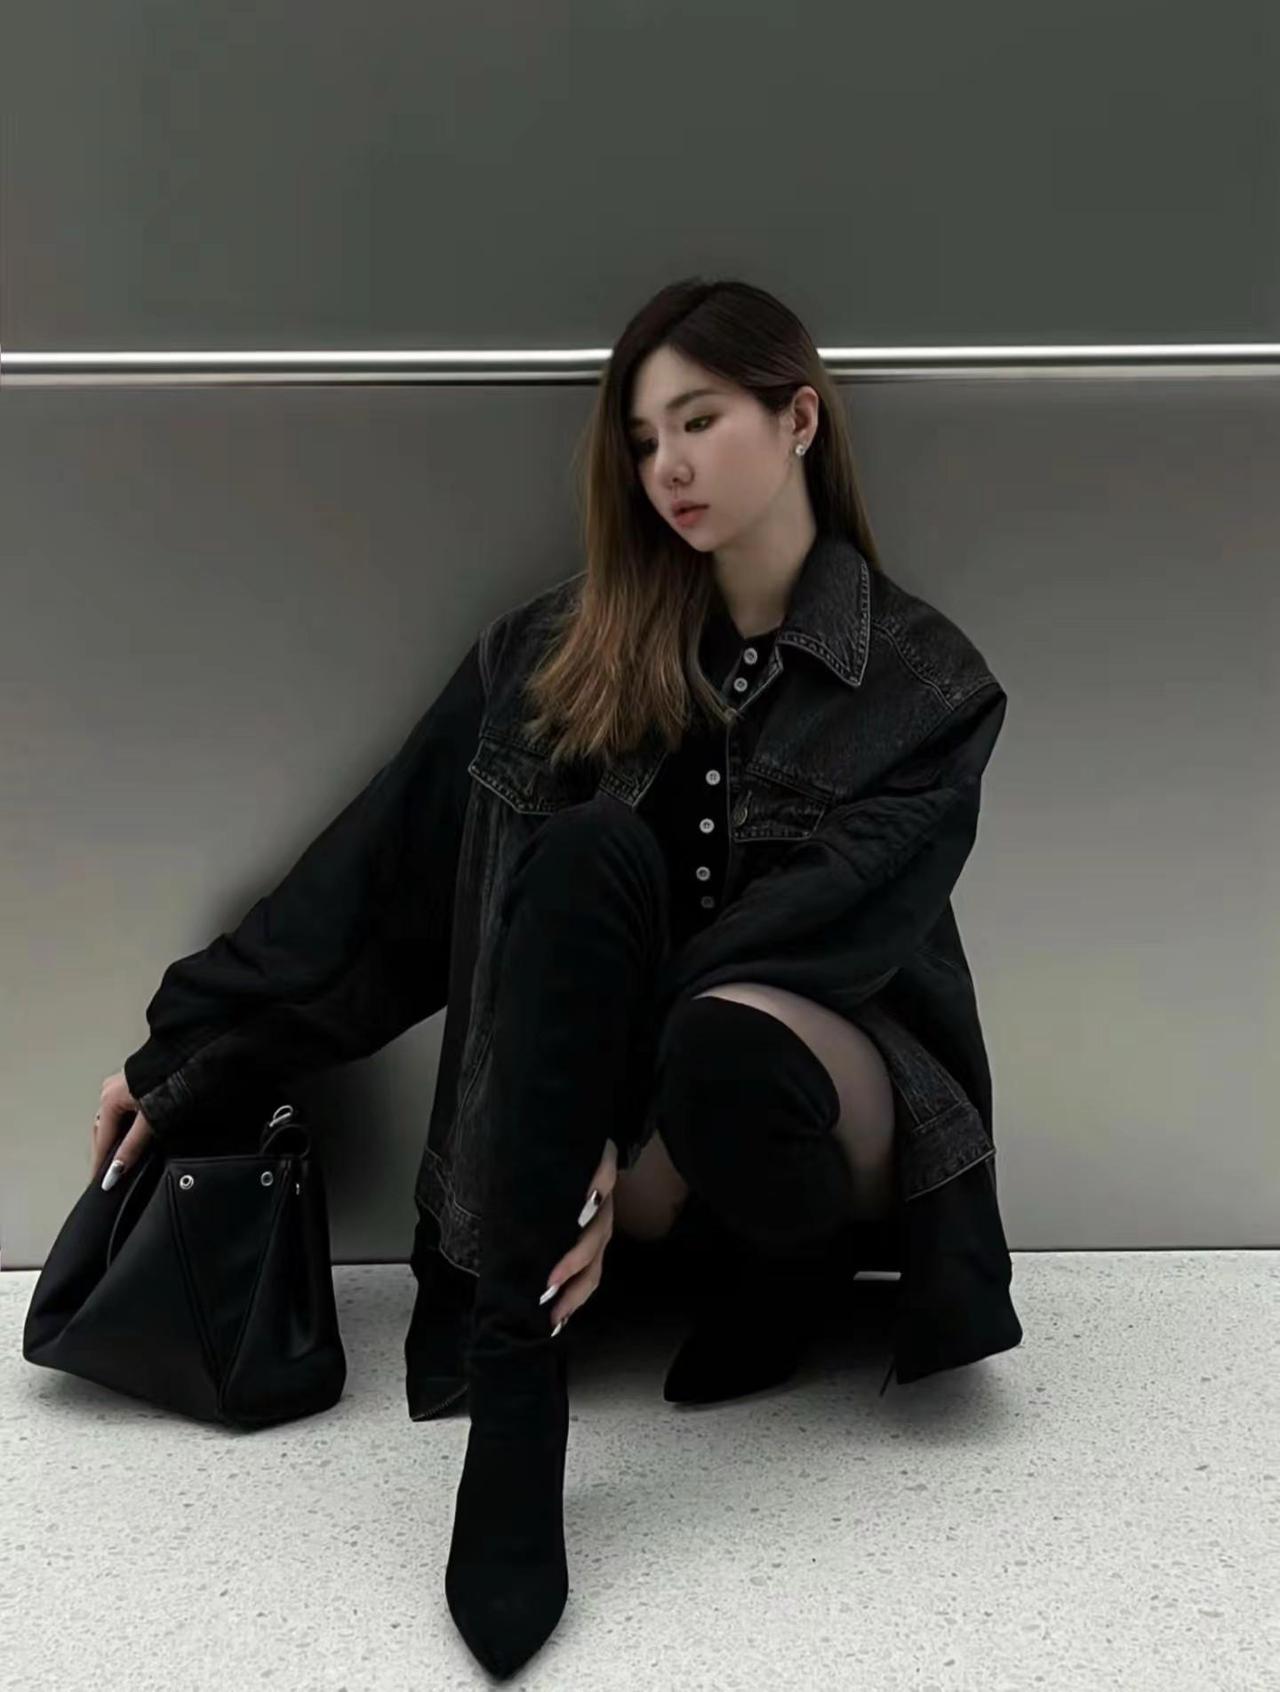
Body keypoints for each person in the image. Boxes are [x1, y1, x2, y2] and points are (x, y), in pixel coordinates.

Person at [90, 276, 1022, 1680]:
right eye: (643, 440)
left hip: (807, 1122)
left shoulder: (927, 687)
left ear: (800, 420)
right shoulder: (552, 652)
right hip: (589, 1171)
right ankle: (518, 1421)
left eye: (700, 421)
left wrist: (618, 1123)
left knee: (721, 1035)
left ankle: (780, 1283)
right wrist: (189, 1052)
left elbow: (827, 930)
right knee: (582, 849)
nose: (669, 467)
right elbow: (379, 885)